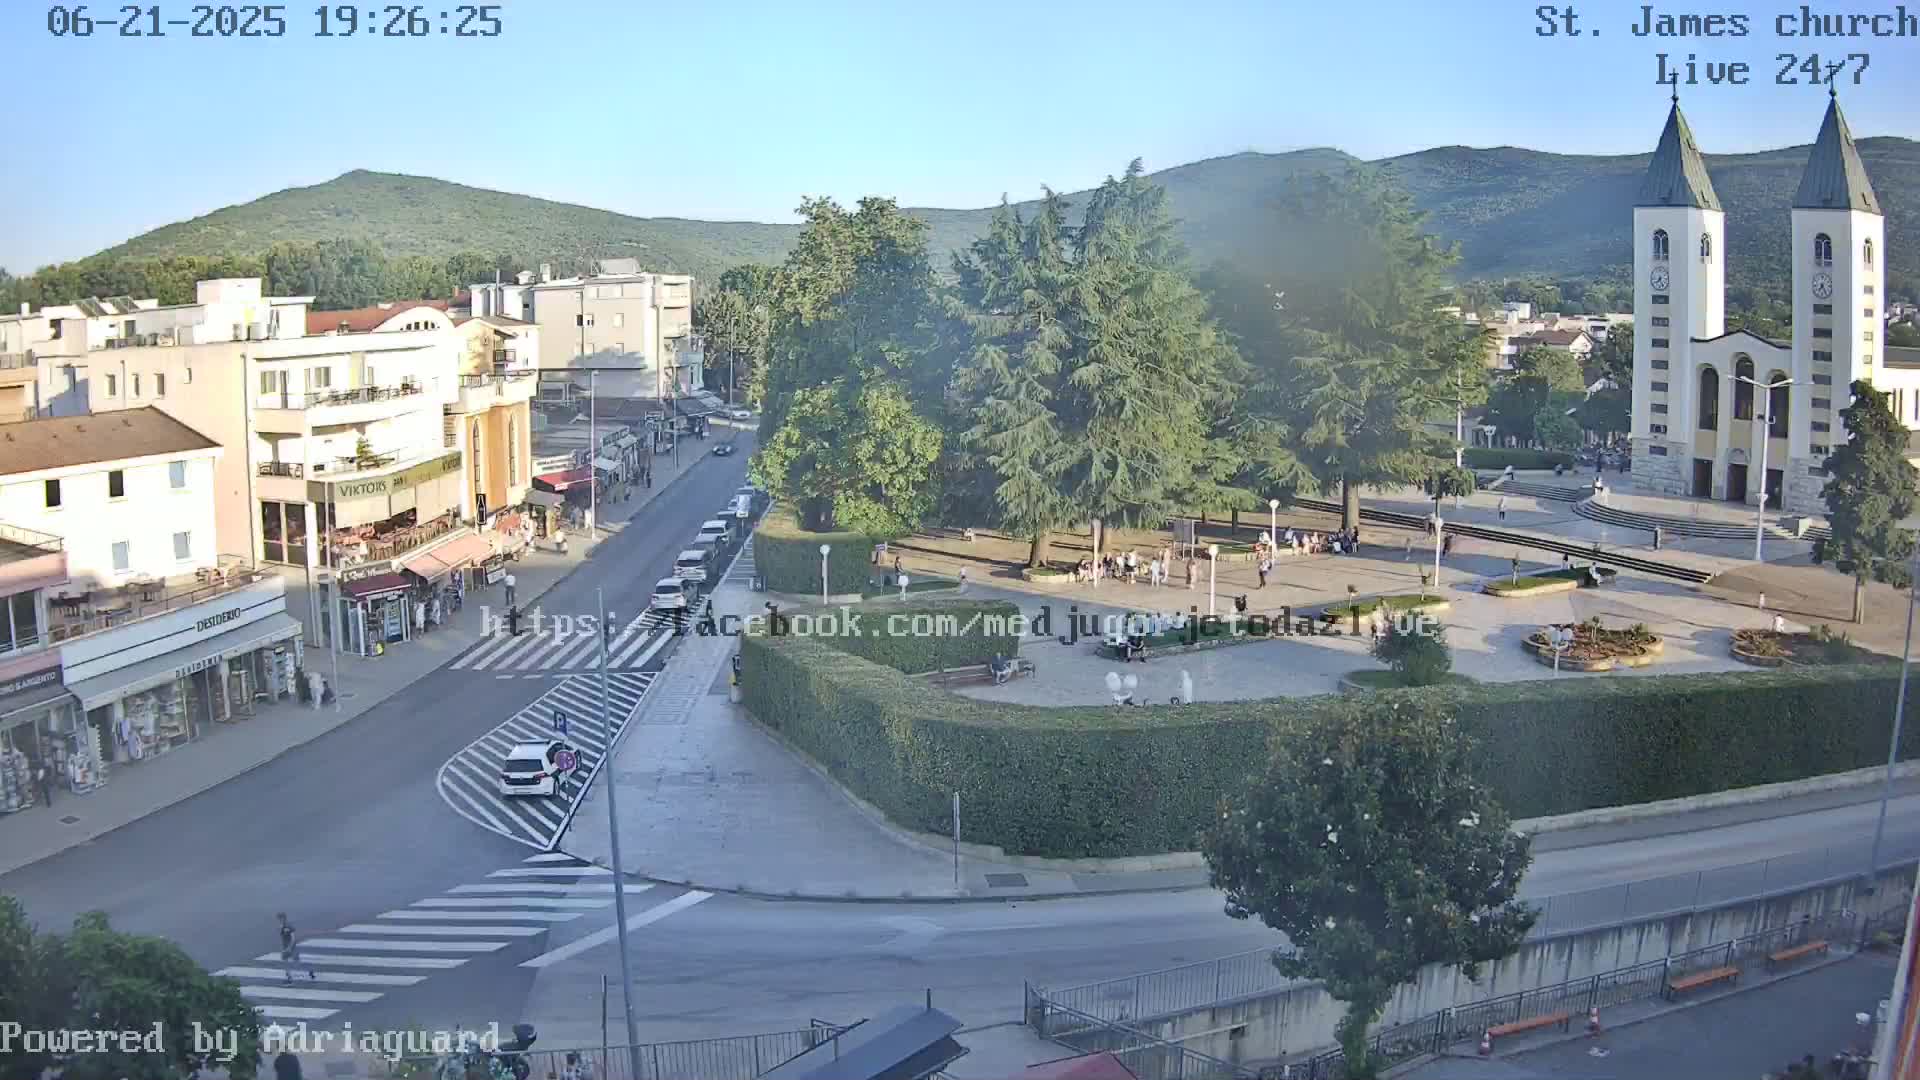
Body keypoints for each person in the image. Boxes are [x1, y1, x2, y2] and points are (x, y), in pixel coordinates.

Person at [277, 913, 316, 983]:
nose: (279, 920)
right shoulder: (283, 926)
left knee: (297, 964)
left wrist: (289, 947)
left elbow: (293, 938)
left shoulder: (287, 926)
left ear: (283, 918)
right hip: (286, 948)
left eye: (280, 918)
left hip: (291, 948)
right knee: (285, 962)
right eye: (279, 919)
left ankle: (309, 970)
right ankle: (289, 977)